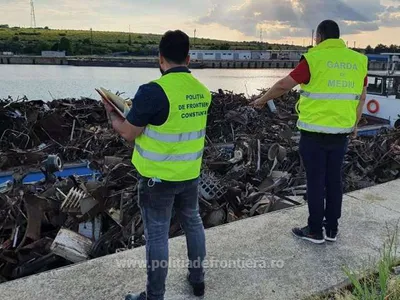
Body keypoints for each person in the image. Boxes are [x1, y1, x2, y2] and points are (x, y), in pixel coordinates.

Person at [103, 30, 211, 300]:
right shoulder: (202, 92)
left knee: (157, 236)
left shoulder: (152, 91)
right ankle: (197, 280)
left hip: (157, 180)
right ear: (188, 58)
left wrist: (112, 116)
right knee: (194, 223)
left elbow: (129, 133)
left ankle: (155, 296)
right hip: (190, 174)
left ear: (160, 58)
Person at [251, 20, 368, 244]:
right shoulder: (359, 60)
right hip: (341, 133)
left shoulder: (314, 59)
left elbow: (285, 85)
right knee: (334, 180)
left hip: (314, 133)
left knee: (316, 181)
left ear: (320, 37)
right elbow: (361, 97)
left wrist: (262, 99)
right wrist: (354, 124)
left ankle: (315, 230)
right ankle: (332, 229)